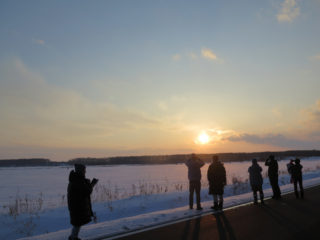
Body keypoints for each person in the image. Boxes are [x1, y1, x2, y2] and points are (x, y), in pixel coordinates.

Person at [67, 164, 98, 240]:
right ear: (80, 171)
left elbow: (84, 190)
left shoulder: (76, 180)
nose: (85, 172)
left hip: (76, 206)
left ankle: (73, 237)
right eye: (84, 170)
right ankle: (73, 238)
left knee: (77, 223)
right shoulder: (78, 181)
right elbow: (87, 191)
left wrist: (88, 183)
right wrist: (92, 184)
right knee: (77, 223)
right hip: (77, 207)